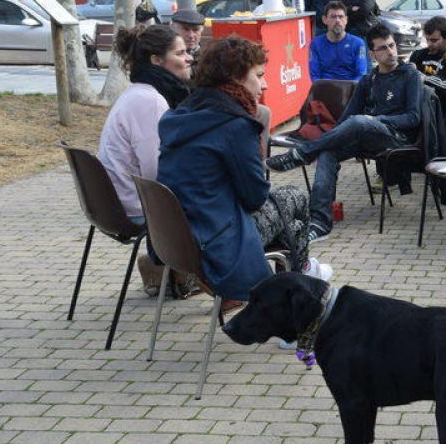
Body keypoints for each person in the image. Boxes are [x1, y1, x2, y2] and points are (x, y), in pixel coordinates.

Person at [158, 35, 332, 306]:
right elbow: (255, 198)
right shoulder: (235, 126)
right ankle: (298, 297)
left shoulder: (181, 116)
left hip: (178, 238)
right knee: (294, 198)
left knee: (295, 226)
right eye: (259, 75)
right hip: (217, 242)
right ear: (236, 78)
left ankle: (302, 279)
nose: (266, 84)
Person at [266, 24, 421, 241]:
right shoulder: (369, 80)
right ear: (372, 53)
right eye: (383, 48)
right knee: (328, 151)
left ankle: (303, 153)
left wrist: (376, 119)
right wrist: (335, 139)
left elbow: (414, 118)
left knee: (360, 121)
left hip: (396, 138)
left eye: (392, 46)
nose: (390, 52)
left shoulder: (410, 75)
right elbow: (345, 119)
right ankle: (320, 222)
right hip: (365, 136)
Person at [99, 25, 191, 224]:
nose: (189, 58)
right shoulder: (150, 101)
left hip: (124, 201)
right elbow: (156, 172)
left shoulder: (139, 92)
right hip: (137, 207)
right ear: (157, 61)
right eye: (180, 53)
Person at [309, 1, 368, 82]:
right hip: (325, 90)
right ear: (324, 19)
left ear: (346, 20)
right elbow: (314, 75)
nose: (337, 20)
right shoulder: (315, 43)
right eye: (333, 17)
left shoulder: (358, 43)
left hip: (351, 91)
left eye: (341, 17)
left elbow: (361, 74)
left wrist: (347, 90)